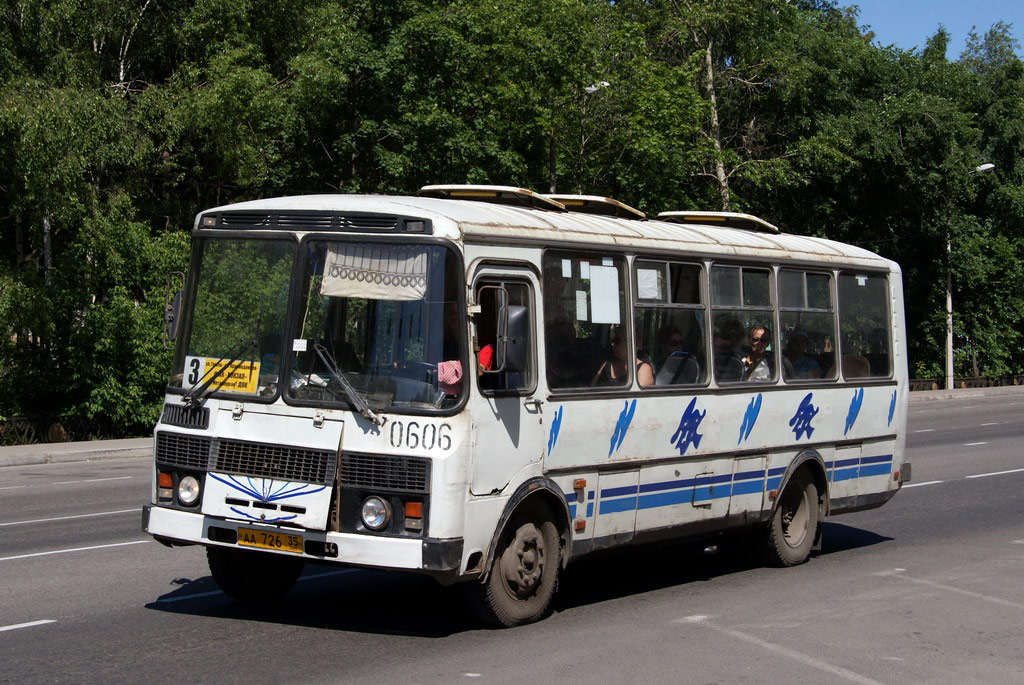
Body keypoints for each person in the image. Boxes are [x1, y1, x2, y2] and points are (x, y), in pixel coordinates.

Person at [713, 316, 745, 382]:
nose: (733, 339)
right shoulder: (713, 354)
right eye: (728, 336)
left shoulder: (746, 354)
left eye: (737, 336)